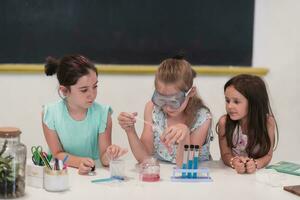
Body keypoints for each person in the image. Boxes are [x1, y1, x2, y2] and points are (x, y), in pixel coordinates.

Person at [118, 56, 212, 166]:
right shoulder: (153, 109)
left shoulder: (202, 117)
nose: (167, 107)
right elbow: (144, 157)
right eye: (161, 99)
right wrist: (130, 130)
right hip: (164, 176)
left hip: (193, 176)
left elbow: (186, 165)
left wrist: (185, 135)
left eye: (174, 101)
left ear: (191, 93)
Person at [42, 54, 127, 175]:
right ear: (64, 90)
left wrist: (109, 155)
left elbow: (104, 160)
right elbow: (57, 154)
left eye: (95, 86)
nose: (91, 94)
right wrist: (79, 162)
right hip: (61, 174)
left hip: (93, 176)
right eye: (84, 90)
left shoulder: (103, 114)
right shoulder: (49, 114)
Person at [217, 74, 278, 174]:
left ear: (254, 103)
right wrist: (234, 162)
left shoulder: (268, 122)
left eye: (236, 102)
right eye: (227, 100)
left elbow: (268, 155)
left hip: (257, 175)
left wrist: (255, 163)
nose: (229, 106)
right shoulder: (224, 122)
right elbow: (225, 154)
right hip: (230, 174)